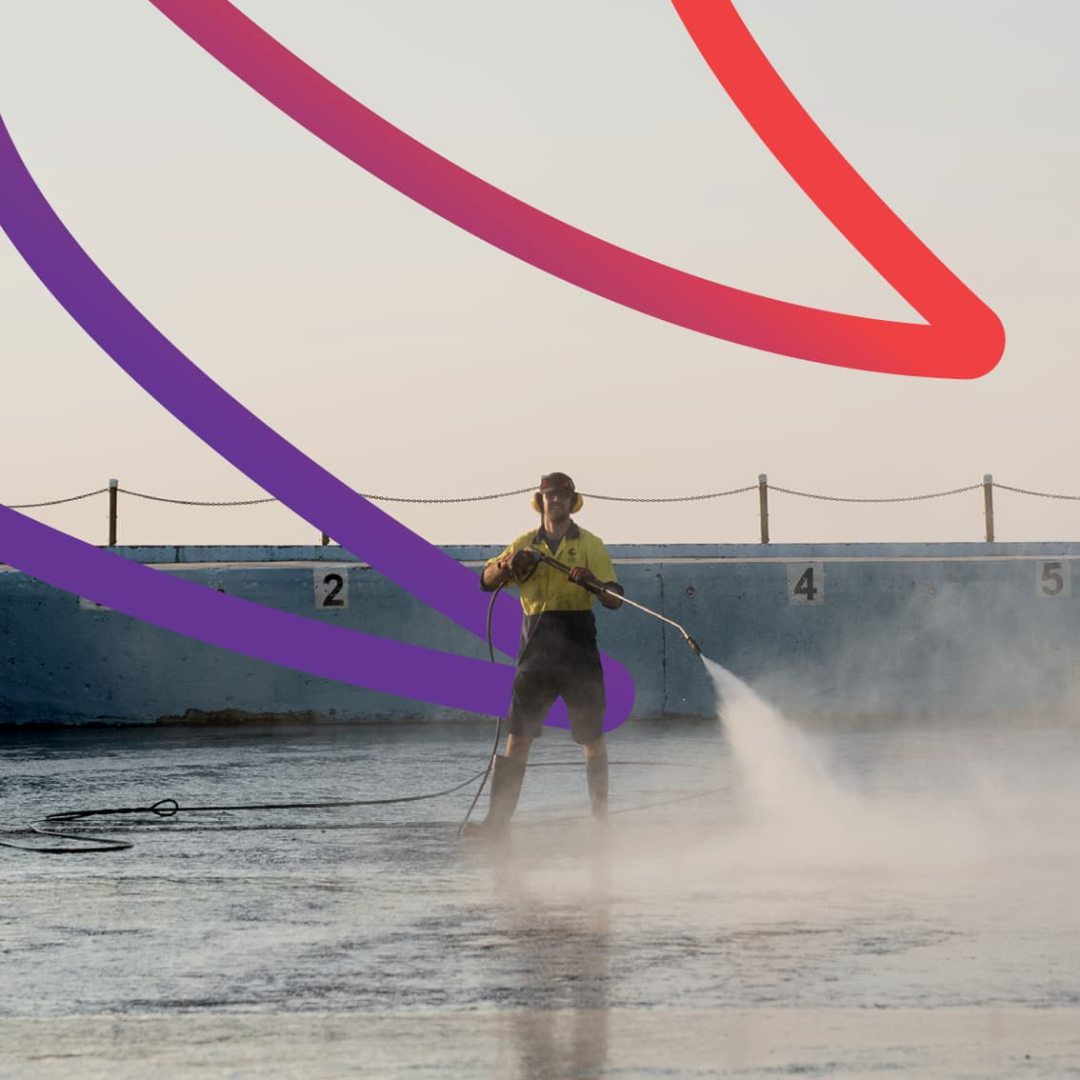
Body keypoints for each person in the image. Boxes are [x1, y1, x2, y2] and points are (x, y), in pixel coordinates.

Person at [464, 471, 624, 837]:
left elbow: (615, 599)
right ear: (541, 501)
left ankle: (602, 821)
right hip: (535, 653)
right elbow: (485, 581)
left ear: (572, 501)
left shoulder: (590, 544)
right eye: (550, 495)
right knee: (518, 737)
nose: (556, 501)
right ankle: (497, 823)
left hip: (579, 650)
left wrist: (595, 585)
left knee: (591, 737)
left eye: (563, 496)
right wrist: (507, 565)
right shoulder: (524, 543)